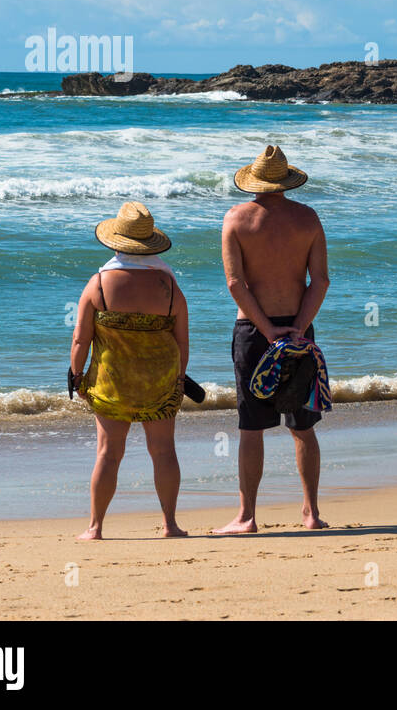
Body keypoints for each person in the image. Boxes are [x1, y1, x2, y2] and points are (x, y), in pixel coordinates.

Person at [215, 145, 330, 534]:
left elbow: (236, 283)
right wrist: (298, 328)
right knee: (302, 425)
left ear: (254, 182)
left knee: (252, 426)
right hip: (299, 327)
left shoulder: (236, 218)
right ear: (285, 182)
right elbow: (321, 281)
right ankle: (311, 513)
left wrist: (266, 330)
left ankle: (247, 517)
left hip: (253, 330)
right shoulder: (307, 218)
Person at [70, 202, 189, 540]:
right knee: (164, 451)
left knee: (108, 453)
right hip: (160, 381)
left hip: (113, 383)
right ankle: (170, 525)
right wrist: (178, 381)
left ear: (115, 241)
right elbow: (182, 341)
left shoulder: (99, 284)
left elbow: (81, 338)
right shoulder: (169, 286)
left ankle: (95, 528)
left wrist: (76, 376)